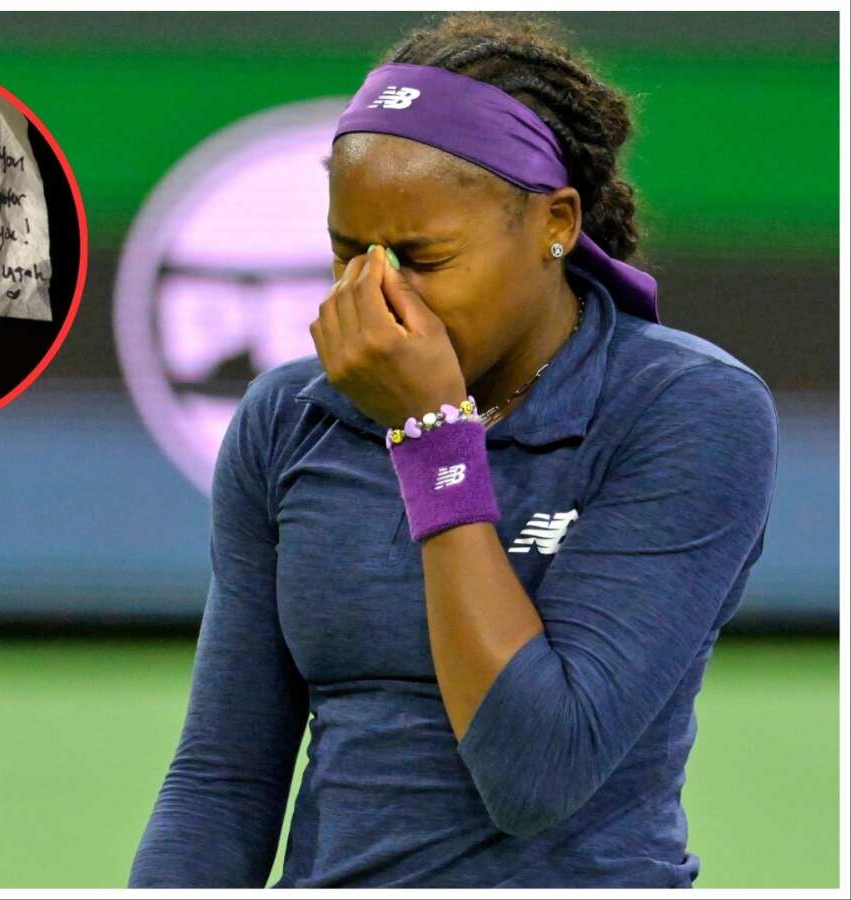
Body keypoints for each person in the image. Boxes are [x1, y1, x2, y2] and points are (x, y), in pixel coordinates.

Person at [128, 12, 778, 889]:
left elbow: (536, 771)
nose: (375, 293)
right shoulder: (288, 416)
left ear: (554, 223)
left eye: (424, 259)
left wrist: (432, 436)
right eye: (347, 252)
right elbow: (222, 784)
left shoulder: (687, 409)